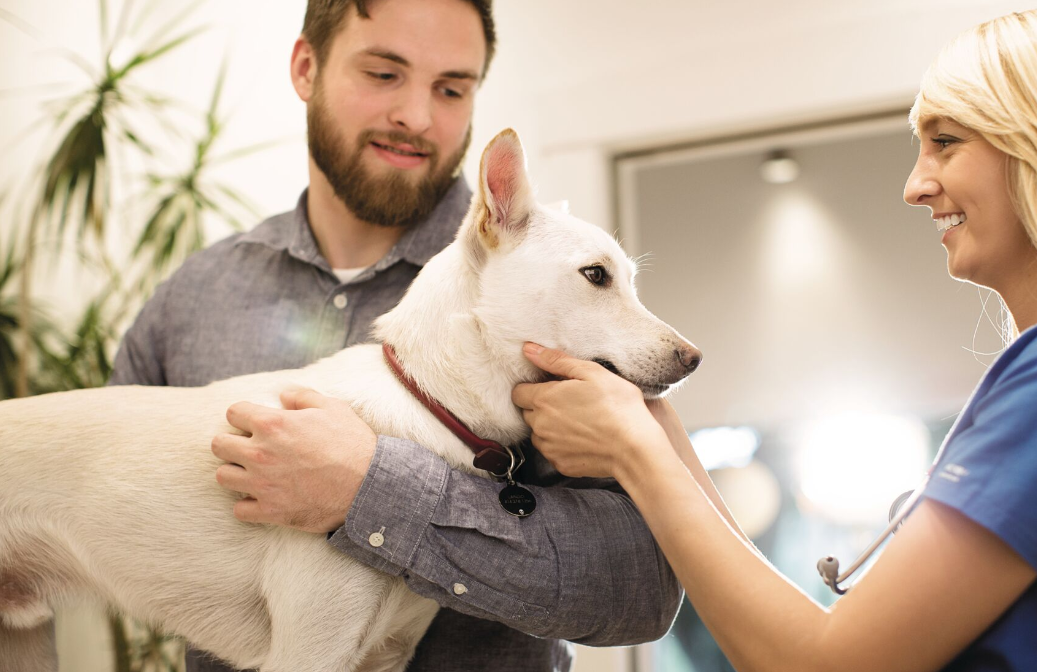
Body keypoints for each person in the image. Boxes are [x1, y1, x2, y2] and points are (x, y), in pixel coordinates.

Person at [512, 9, 1037, 672]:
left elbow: (824, 665)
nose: (915, 186)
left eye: (945, 141)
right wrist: (654, 432)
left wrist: (634, 455)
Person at [109, 1, 680, 670]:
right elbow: (100, 509)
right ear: (305, 68)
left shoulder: (552, 297)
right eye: (383, 73)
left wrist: (372, 489)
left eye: (450, 88)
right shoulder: (191, 299)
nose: (416, 115)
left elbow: (637, 591)